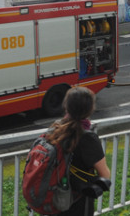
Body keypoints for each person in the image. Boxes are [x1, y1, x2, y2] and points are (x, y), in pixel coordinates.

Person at [47, 86, 111, 216]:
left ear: (66, 106)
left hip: (53, 198)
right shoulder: (87, 138)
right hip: (77, 202)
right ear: (89, 109)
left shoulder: (55, 130)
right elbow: (105, 175)